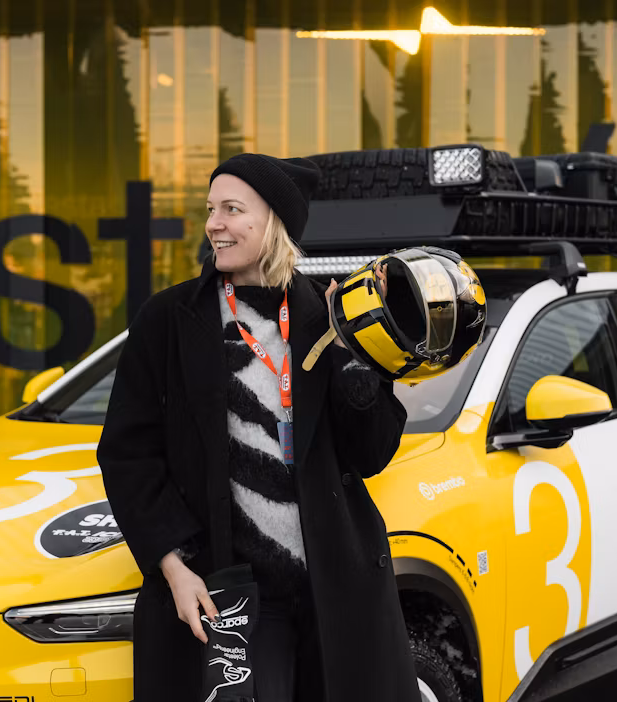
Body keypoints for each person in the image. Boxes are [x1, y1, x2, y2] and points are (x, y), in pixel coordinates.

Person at [97, 153, 418, 702]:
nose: (213, 225)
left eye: (231, 209)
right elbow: (128, 455)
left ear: (274, 222)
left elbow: (371, 454)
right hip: (231, 593)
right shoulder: (169, 320)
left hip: (332, 592)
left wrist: (356, 355)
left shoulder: (326, 316)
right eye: (210, 210)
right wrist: (174, 568)